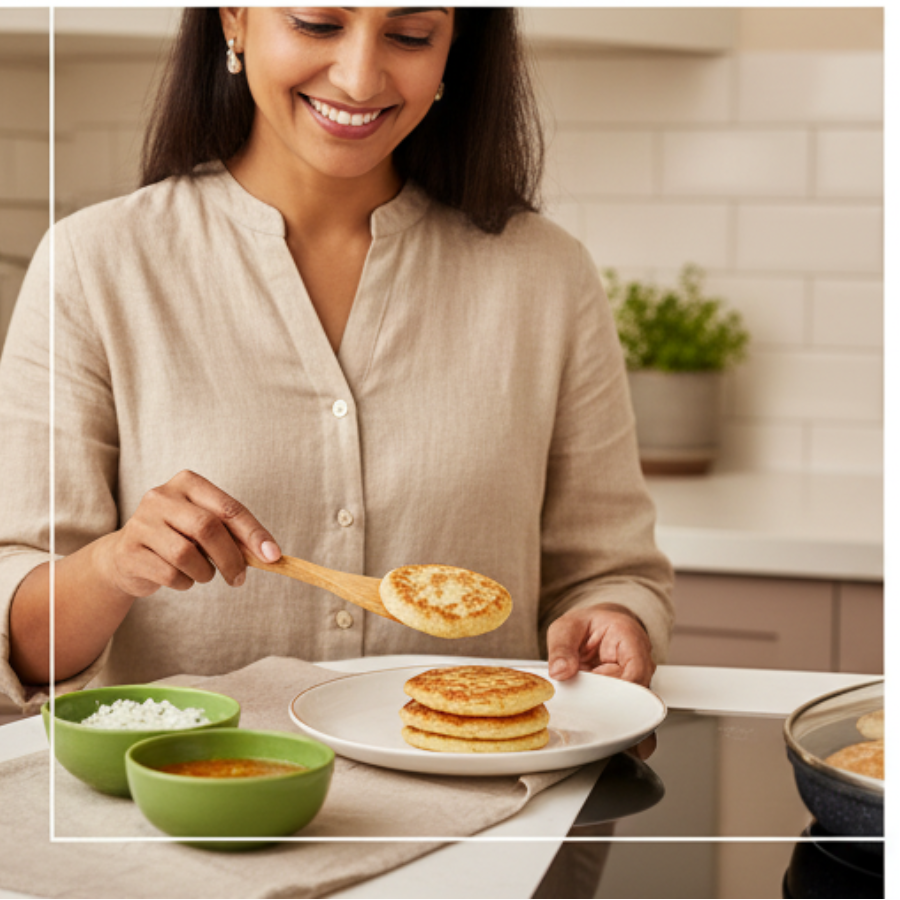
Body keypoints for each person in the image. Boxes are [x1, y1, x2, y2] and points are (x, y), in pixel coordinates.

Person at [0, 8, 673, 715]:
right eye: (318, 24)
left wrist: (614, 617)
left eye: (411, 36)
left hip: (492, 806)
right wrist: (112, 566)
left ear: (454, 47)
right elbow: (22, 637)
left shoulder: (547, 275)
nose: (358, 78)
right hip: (194, 810)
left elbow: (612, 573)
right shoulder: (93, 265)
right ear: (234, 19)